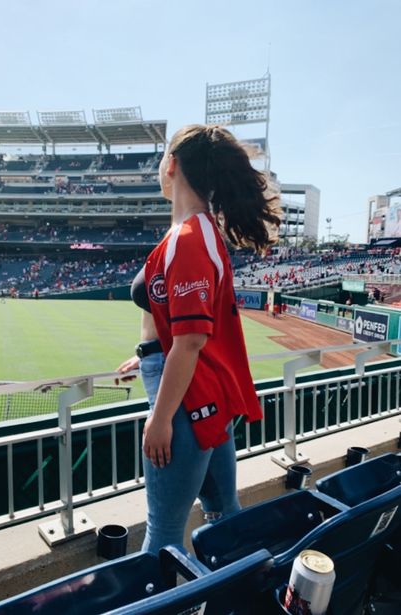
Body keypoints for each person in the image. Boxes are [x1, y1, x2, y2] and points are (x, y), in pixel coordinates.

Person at [116, 124, 281, 554]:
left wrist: (160, 418)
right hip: (203, 392)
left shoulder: (188, 239)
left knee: (164, 538)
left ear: (171, 165)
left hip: (187, 400)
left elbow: (190, 342)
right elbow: (183, 332)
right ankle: (238, 592)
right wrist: (149, 355)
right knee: (224, 512)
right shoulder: (202, 234)